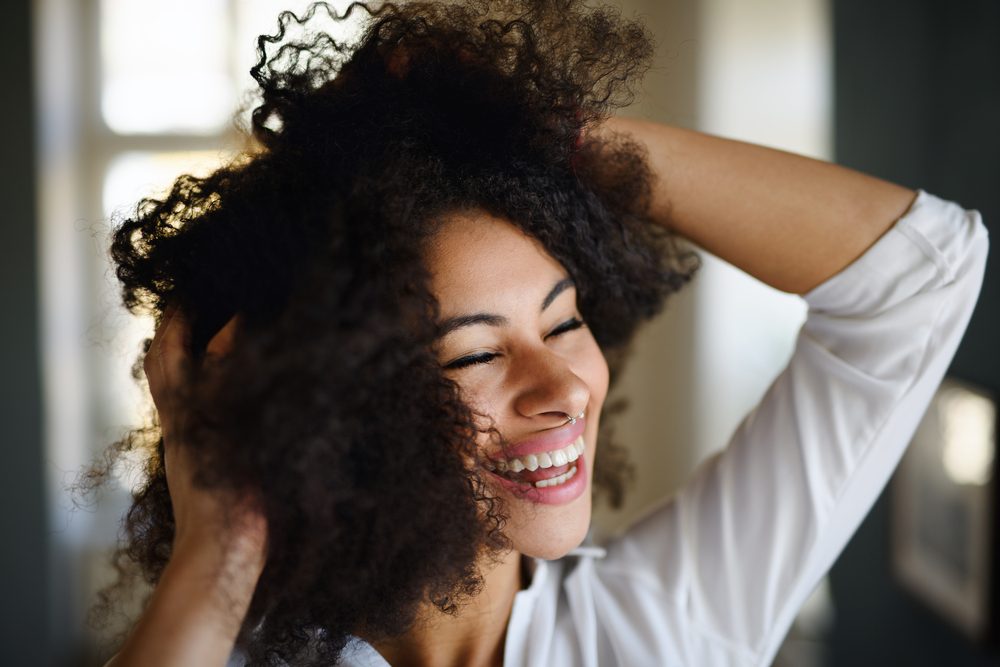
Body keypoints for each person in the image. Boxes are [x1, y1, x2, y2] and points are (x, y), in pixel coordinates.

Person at [96, 1, 989, 665]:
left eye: (563, 321)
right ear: (343, 408)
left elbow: (921, 273)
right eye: (475, 352)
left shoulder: (671, 621)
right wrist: (221, 548)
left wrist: (543, 135)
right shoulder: (219, 644)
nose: (564, 388)